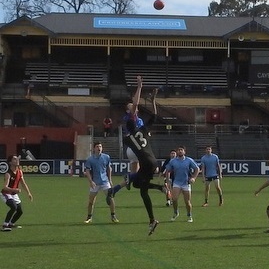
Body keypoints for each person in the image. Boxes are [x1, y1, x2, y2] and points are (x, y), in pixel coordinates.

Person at [110, 76, 166, 235]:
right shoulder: (142, 129)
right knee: (138, 185)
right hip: (154, 161)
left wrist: (139, 87)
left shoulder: (127, 139)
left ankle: (152, 219)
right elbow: (153, 115)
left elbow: (134, 107)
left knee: (139, 186)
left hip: (144, 161)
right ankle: (156, 189)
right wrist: (153, 99)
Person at [84, 142, 118, 224]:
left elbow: (109, 168)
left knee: (110, 198)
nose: (99, 148)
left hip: (105, 181)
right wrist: (91, 181)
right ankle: (89, 217)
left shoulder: (106, 157)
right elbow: (87, 171)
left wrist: (110, 180)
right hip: (95, 182)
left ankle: (113, 216)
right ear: (94, 148)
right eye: (97, 146)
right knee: (91, 201)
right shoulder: (90, 159)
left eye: (100, 146)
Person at [164, 146, 200, 223]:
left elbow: (197, 169)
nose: (180, 151)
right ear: (177, 152)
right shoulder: (173, 161)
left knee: (187, 202)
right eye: (179, 150)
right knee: (174, 199)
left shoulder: (189, 160)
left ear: (184, 152)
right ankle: (176, 212)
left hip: (186, 183)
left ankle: (189, 215)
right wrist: (168, 181)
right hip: (176, 183)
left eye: (181, 150)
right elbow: (167, 171)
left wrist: (193, 178)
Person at [2, 154, 33, 231]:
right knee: (13, 207)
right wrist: (14, 190)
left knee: (20, 211)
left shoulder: (19, 172)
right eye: (14, 159)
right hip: (6, 193)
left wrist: (28, 193)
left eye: (17, 159)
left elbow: (23, 183)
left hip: (14, 194)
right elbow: (5, 187)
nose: (17, 160)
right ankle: (5, 225)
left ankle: (11, 224)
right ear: (10, 162)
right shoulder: (8, 174)